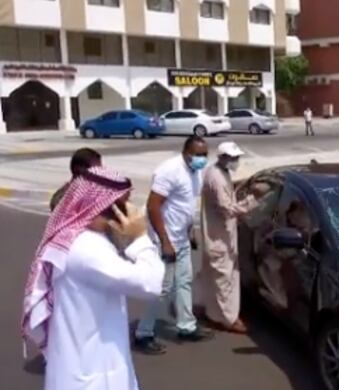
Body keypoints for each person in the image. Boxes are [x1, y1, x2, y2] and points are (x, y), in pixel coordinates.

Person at [22, 166, 165, 390]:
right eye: (121, 206)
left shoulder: (76, 239)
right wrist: (140, 238)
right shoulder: (87, 249)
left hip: (86, 364)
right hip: (92, 375)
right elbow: (150, 284)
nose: (129, 212)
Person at [134, 135, 213, 354]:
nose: (202, 159)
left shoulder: (194, 172)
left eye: (205, 154)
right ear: (186, 153)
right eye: (198, 155)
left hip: (182, 237)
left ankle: (186, 326)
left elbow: (186, 204)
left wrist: (191, 230)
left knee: (185, 282)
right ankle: (143, 333)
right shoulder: (169, 170)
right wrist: (165, 241)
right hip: (165, 239)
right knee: (163, 287)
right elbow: (153, 206)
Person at [199, 142, 265, 334]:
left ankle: (213, 313)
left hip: (219, 234)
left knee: (215, 278)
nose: (236, 161)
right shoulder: (217, 178)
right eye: (233, 158)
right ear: (223, 158)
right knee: (224, 279)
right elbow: (228, 209)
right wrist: (253, 199)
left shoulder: (218, 172)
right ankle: (229, 319)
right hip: (220, 238)